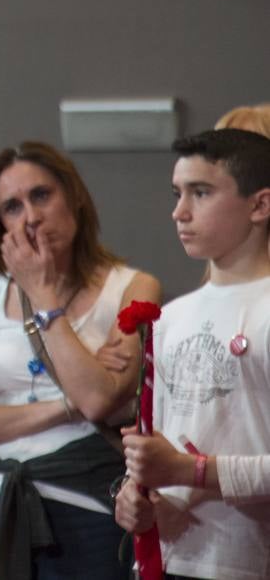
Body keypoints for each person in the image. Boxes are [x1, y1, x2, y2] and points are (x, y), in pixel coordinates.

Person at [0, 141, 160, 580]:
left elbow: (98, 403)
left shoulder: (133, 287)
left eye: (41, 195)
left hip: (88, 500)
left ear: (73, 196)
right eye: (12, 207)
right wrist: (67, 403)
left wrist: (41, 295)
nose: (31, 217)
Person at [114, 128, 270, 579]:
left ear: (259, 205)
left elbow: (179, 462)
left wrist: (189, 471)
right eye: (177, 193)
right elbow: (164, 440)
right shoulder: (173, 316)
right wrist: (135, 495)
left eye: (200, 193)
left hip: (246, 563)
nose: (179, 212)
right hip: (171, 557)